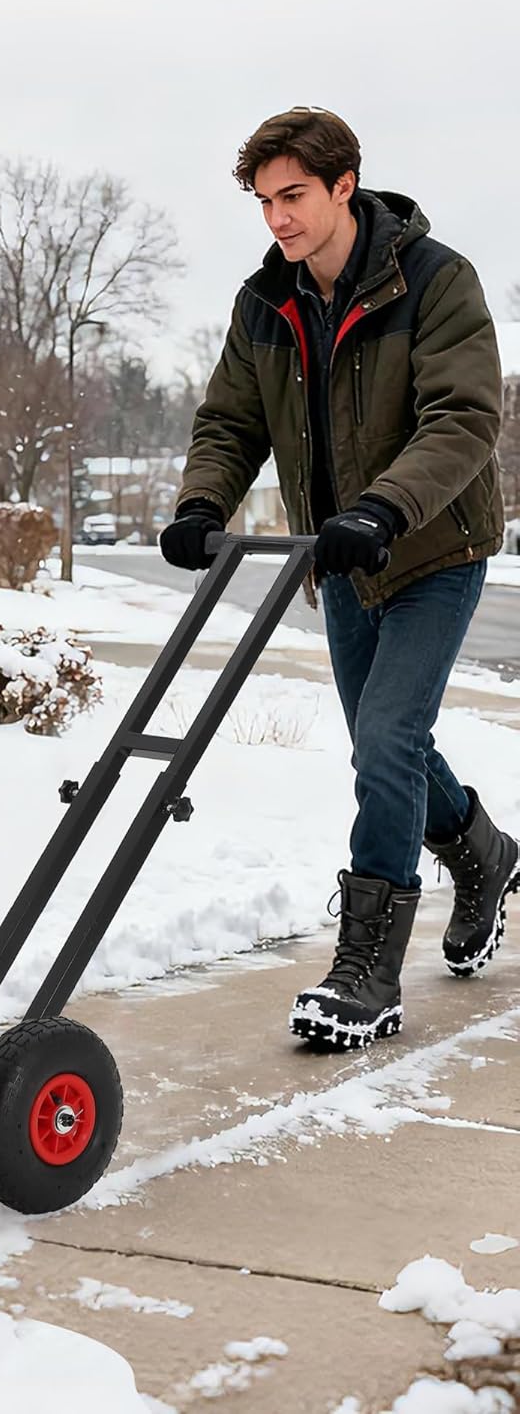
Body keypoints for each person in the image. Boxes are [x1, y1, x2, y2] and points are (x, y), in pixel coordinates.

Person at [159, 107, 518, 1050]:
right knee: (381, 744)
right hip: (341, 560)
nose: (278, 218)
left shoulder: (437, 283)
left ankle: (368, 972)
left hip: (430, 547)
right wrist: (203, 505)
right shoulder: (265, 303)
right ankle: (481, 849)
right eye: (264, 201)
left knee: (389, 737)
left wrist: (384, 508)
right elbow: (231, 422)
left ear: (344, 186)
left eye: (295, 196)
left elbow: (464, 418)